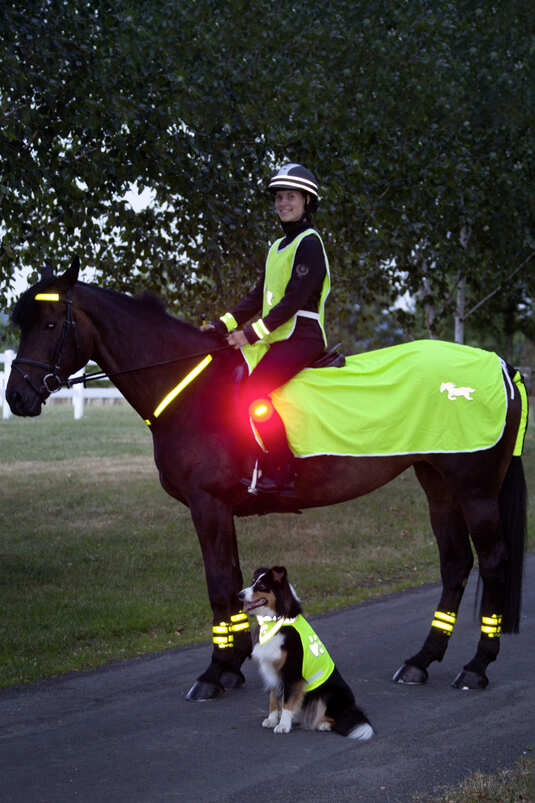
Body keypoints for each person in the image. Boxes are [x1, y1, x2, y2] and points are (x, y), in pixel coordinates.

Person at [210, 163, 331, 493]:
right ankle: (247, 457)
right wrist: (221, 325)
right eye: (279, 197)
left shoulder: (309, 243)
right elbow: (255, 298)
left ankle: (283, 468)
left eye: (291, 197)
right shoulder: (276, 248)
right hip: (278, 339)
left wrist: (249, 334)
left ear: (307, 201)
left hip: (303, 338)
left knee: (252, 393)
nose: (283, 203)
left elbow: (292, 301)